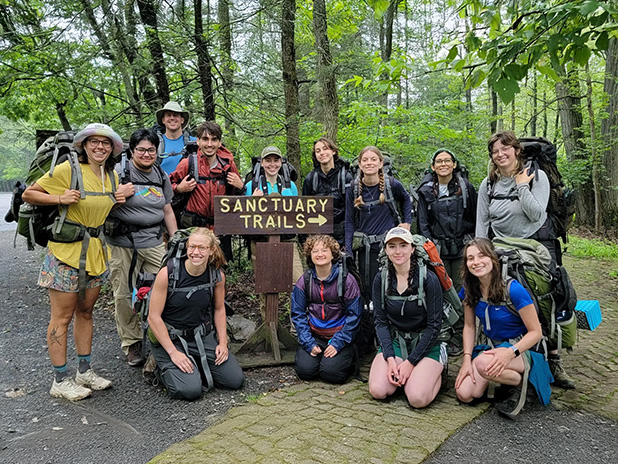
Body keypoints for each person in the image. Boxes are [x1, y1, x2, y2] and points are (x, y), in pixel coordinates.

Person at [22, 123, 130, 401]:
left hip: (94, 253)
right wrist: (59, 197)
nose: (100, 147)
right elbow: (29, 193)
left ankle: (84, 371)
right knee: (62, 317)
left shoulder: (111, 176)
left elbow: (97, 208)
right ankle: (60, 379)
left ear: (112, 149)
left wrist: (118, 200)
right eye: (94, 142)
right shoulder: (68, 170)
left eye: (105, 144)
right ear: (83, 145)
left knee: (86, 312)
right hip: (65, 254)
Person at [476, 131, 574, 390]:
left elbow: (536, 215)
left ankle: (553, 357)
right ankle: (504, 349)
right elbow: (482, 224)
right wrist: (479, 252)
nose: (500, 155)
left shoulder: (536, 177)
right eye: (495, 151)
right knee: (496, 296)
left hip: (534, 245)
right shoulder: (487, 185)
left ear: (517, 151)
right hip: (499, 247)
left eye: (505, 149)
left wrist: (521, 185)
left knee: (544, 296)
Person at [455, 238, 552, 419]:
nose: (476, 262)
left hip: (523, 350)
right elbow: (469, 326)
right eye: (470, 258)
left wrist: (510, 353)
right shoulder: (470, 288)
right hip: (492, 347)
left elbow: (536, 332)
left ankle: (525, 382)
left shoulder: (513, 289)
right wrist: (466, 360)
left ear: (493, 258)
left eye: (481, 256)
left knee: (483, 364)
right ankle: (506, 379)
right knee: (465, 393)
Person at [106, 128, 178, 367]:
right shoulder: (118, 172)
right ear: (132, 150)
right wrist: (116, 195)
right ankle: (132, 343)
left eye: (151, 150)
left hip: (155, 241)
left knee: (167, 289)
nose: (146, 154)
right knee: (124, 294)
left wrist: (176, 238)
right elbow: (98, 204)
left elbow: (167, 209)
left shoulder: (160, 175)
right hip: (123, 244)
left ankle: (161, 336)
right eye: (141, 150)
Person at [147, 228, 244, 400]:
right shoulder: (168, 274)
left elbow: (219, 309)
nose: (195, 252)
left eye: (202, 248)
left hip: (201, 335)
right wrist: (173, 353)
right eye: (192, 247)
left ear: (211, 250)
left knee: (234, 380)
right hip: (171, 338)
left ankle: (194, 363)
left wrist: (222, 342)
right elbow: (153, 317)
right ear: (186, 247)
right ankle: (159, 366)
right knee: (190, 391)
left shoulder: (216, 275)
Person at [368, 227, 446, 408]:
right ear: (386, 250)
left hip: (427, 342)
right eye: (392, 246)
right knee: (378, 391)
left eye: (403, 245)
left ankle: (437, 372)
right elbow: (380, 321)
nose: (398, 251)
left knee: (417, 399)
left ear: (412, 249)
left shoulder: (428, 279)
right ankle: (409, 375)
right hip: (397, 341)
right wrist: (389, 358)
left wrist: (411, 363)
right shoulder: (381, 279)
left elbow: (435, 326)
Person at [291, 235, 362, 383]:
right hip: (315, 335)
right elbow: (297, 314)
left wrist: (338, 342)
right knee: (305, 371)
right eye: (315, 251)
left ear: (332, 254)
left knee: (332, 374)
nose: (320, 254)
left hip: (340, 335)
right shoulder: (304, 281)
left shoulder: (347, 280)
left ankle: (341, 359)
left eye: (324, 250)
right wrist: (308, 342)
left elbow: (354, 315)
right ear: (310, 255)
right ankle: (320, 358)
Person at [169, 121, 243, 261]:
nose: (209, 144)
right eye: (205, 139)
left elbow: (237, 198)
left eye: (214, 139)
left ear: (220, 143)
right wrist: (179, 188)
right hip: (194, 228)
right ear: (198, 141)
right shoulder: (188, 163)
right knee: (193, 266)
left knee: (220, 269)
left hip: (220, 230)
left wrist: (241, 186)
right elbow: (167, 187)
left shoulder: (228, 165)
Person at [345, 146, 412, 299]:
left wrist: (407, 223)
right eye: (365, 160)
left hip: (388, 248)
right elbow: (349, 221)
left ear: (381, 163)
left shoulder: (392, 185)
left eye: (373, 159)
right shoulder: (354, 189)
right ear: (360, 165)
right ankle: (369, 319)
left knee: (389, 285)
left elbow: (406, 199)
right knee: (366, 288)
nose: (369, 163)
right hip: (364, 250)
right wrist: (348, 251)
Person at [417, 148, 477, 290]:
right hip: (437, 250)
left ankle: (464, 312)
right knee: (439, 286)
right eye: (439, 161)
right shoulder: (425, 191)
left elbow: (475, 216)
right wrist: (430, 248)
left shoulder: (466, 188)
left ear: (454, 164)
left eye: (447, 161)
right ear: (433, 167)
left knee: (463, 286)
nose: (443, 164)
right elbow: (422, 222)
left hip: (462, 247)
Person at [245, 145, 304, 284]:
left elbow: (297, 216)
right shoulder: (251, 186)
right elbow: (244, 219)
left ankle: (295, 307)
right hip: (260, 241)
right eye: (268, 160)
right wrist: (252, 202)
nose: (272, 164)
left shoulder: (291, 186)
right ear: (262, 162)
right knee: (265, 286)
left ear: (281, 162)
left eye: (276, 160)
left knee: (299, 283)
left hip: (287, 239)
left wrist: (288, 198)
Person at [302, 138, 352, 247]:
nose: (322, 153)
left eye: (325, 149)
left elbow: (352, 211)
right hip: (317, 237)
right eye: (318, 151)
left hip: (341, 237)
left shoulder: (346, 177)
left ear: (333, 151)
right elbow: (304, 211)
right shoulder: (310, 179)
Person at [155, 101, 197, 175]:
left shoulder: (194, 142)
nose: (172, 118)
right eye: (168, 115)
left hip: (189, 185)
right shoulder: (155, 144)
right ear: (163, 120)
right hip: (162, 186)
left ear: (182, 120)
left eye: (175, 115)